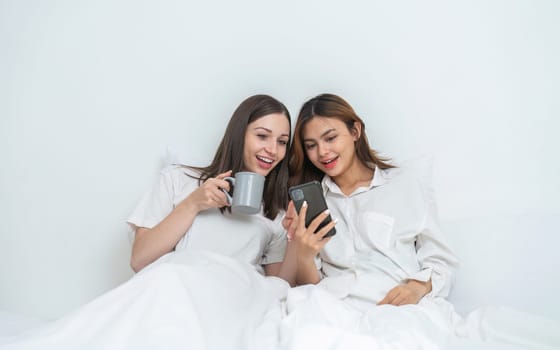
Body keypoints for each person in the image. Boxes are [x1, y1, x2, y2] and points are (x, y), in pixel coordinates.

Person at [0, 94, 297, 350]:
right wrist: (194, 203)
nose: (272, 149)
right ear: (238, 134)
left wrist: (299, 242)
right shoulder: (179, 179)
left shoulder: (276, 213)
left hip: (229, 298)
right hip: (174, 288)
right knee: (164, 288)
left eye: (282, 141)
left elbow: (274, 288)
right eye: (262, 135)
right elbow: (141, 259)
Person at [278, 93, 559, 349]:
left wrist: (418, 286)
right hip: (334, 305)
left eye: (330, 138)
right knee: (303, 331)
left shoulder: (404, 185)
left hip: (395, 306)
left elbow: (441, 260)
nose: (323, 153)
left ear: (355, 131)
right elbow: (311, 284)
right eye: (311, 145)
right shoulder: (312, 202)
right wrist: (303, 253)